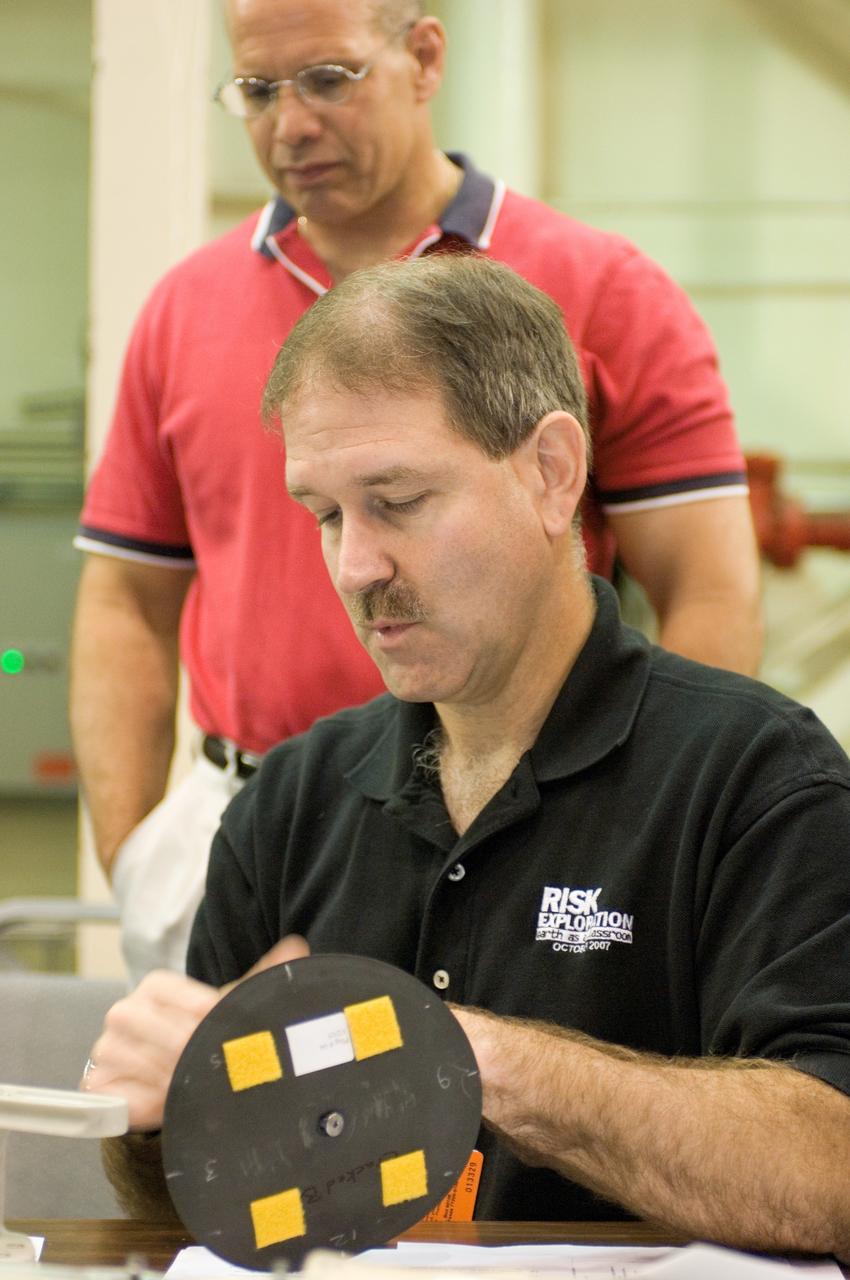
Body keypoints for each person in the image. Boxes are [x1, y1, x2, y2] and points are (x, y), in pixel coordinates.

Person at [85, 257, 850, 1258]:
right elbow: (208, 1204)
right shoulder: (293, 799)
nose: (357, 565)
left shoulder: (754, 779)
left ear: (551, 472)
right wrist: (162, 1109)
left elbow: (828, 1170)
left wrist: (446, 1054)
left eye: (396, 500)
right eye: (325, 514)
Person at [71, 0, 763, 983]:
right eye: (258, 91)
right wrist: (136, 845)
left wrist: (637, 827)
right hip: (238, 816)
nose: (290, 123)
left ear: (424, 56)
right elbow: (126, 600)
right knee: (213, 1130)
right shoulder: (185, 307)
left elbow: (708, 588)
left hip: (520, 816)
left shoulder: (602, 287)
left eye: (328, 78)